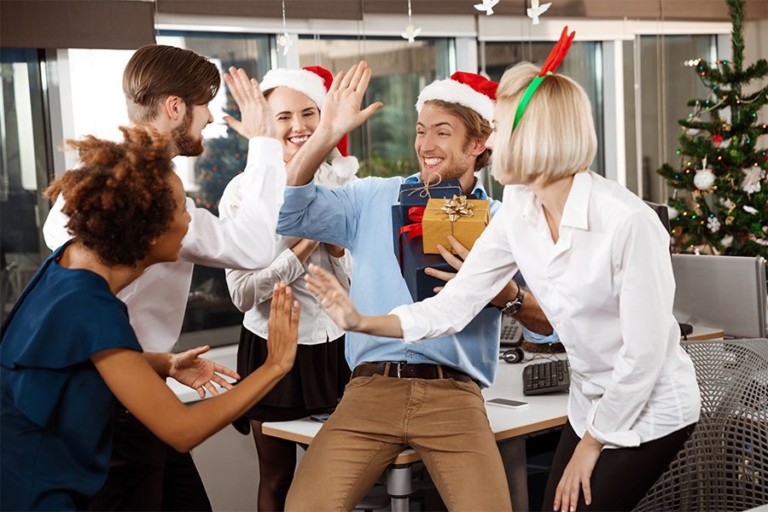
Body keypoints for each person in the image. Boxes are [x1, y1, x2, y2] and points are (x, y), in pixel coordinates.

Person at [306, 33, 702, 512]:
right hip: (590, 399)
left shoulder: (628, 223)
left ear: (537, 136)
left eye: (498, 127)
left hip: (651, 405)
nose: (488, 143)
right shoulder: (518, 206)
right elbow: (457, 302)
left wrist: (592, 445)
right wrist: (362, 322)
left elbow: (644, 355)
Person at [277, 63, 554, 511]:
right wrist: (325, 132)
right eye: (421, 131)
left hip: (455, 397)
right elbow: (292, 213)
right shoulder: (371, 197)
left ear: (478, 143)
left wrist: (506, 296)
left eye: (442, 133)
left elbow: (550, 325)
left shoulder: (506, 221)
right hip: (369, 391)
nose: (425, 145)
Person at [0, 126, 301, 512]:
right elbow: (182, 429)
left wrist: (162, 364)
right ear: (144, 227)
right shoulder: (92, 307)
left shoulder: (65, 265)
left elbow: (65, 362)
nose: (190, 221)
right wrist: (275, 365)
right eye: (180, 210)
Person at [219, 65, 357, 511]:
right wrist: (300, 251)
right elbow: (241, 295)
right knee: (277, 479)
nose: (298, 127)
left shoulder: (345, 186)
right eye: (284, 117)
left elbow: (364, 280)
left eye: (309, 113)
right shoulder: (243, 192)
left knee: (333, 486)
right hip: (269, 345)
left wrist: (336, 248)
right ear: (266, 124)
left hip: (335, 349)